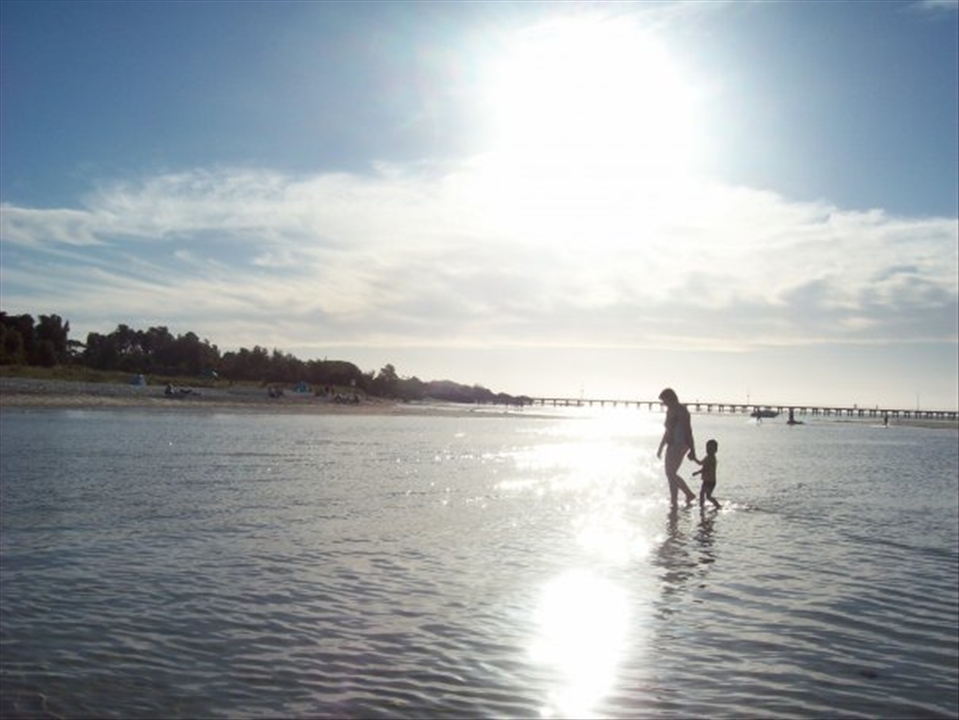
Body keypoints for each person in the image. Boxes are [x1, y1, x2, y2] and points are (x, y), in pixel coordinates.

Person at [656, 387, 698, 508]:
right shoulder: (670, 410)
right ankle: (674, 501)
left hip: (680, 444)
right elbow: (667, 431)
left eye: (664, 401)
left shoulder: (682, 411)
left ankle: (689, 494)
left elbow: (689, 431)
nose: (663, 404)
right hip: (671, 444)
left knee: (670, 473)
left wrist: (693, 450)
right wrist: (660, 447)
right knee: (670, 474)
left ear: (670, 398)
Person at [692, 439, 722, 509]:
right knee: (705, 495)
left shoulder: (712, 458)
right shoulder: (707, 457)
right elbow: (700, 463)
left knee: (705, 494)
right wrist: (694, 458)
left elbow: (706, 469)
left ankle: (716, 505)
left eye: (711, 449)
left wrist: (697, 472)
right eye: (707, 448)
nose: (708, 450)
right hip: (706, 480)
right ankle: (703, 506)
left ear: (715, 450)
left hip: (710, 481)